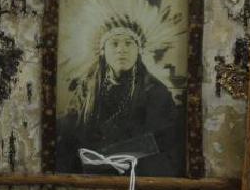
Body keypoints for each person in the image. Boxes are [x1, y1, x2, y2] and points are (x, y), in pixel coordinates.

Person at [56, 16, 183, 176]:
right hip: (90, 171)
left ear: (139, 50)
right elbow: (71, 131)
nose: (121, 50)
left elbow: (160, 140)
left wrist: (104, 158)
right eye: (114, 44)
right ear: (102, 51)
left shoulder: (155, 91)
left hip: (137, 171)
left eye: (129, 44)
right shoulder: (87, 88)